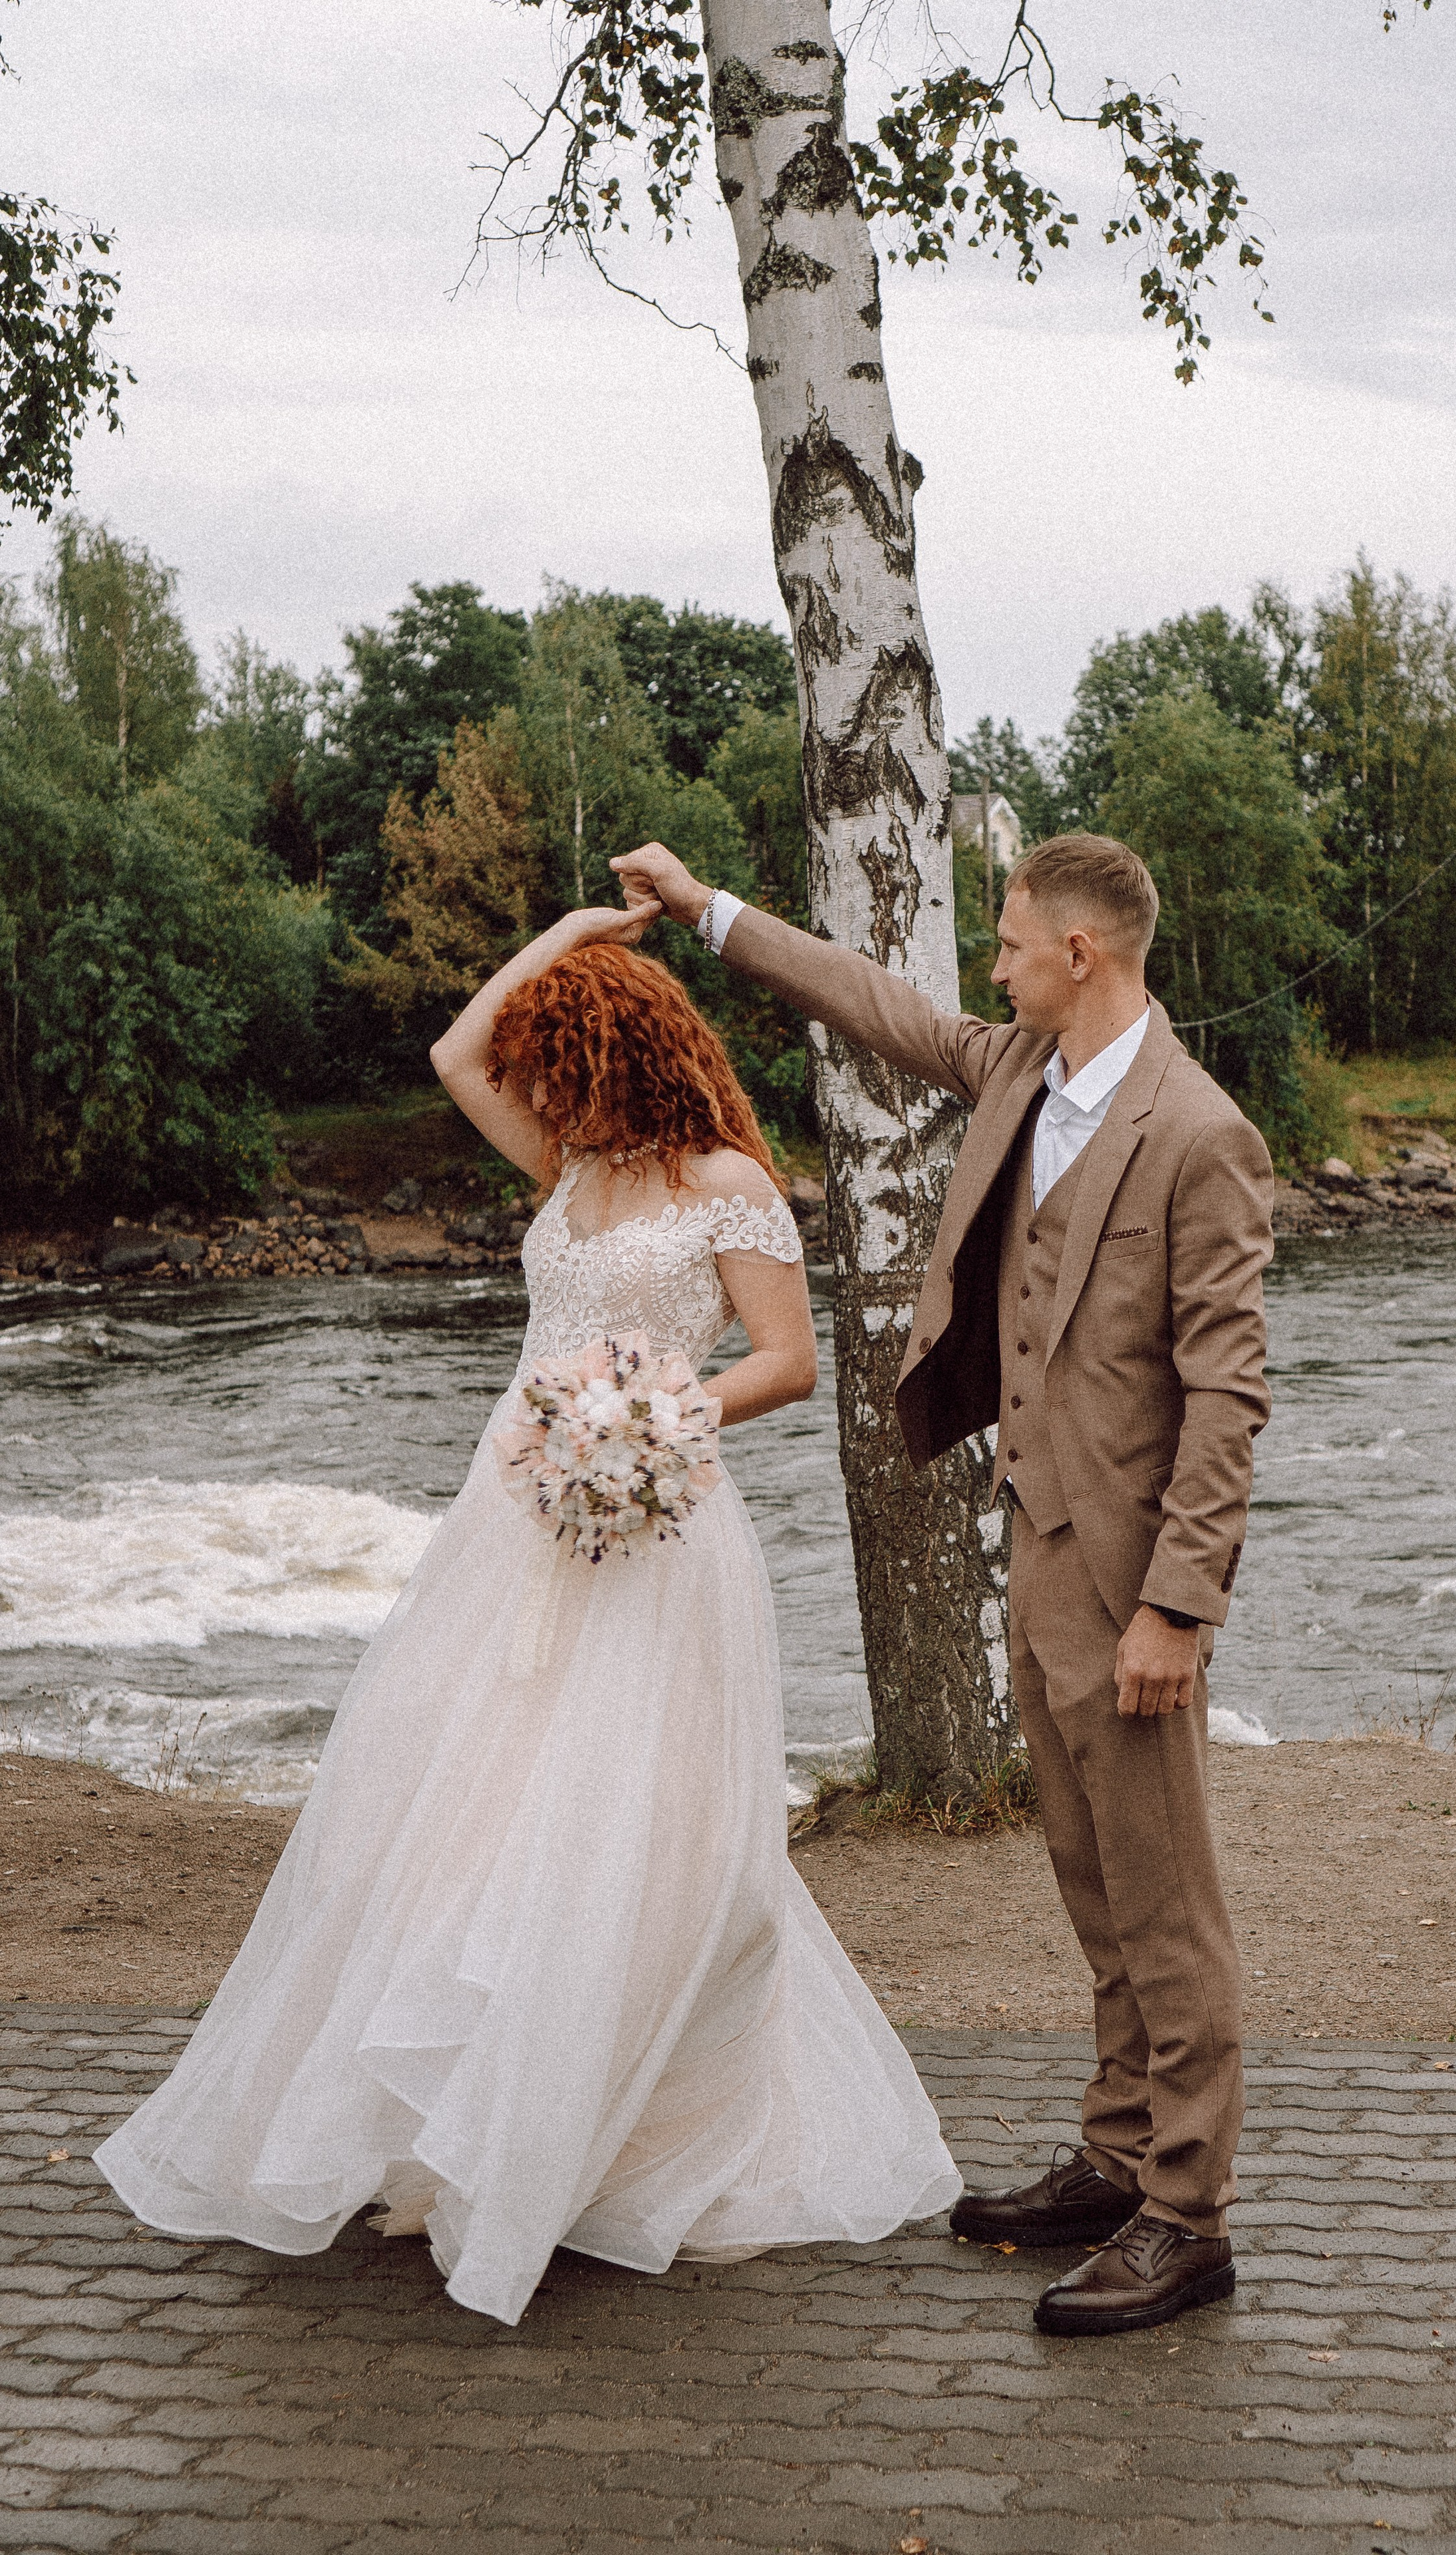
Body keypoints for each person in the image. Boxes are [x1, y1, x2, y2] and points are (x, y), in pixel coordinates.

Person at [95, 899, 961, 2325]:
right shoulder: (566, 1167)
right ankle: (474, 2116)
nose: (539, 1091)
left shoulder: (725, 1180)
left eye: (560, 1063)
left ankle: (603, 2131)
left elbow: (790, 1361)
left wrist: (656, 1409)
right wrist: (568, 931)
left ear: (620, 1056)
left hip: (652, 1528)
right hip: (511, 1525)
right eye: (537, 1070)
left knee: (634, 1827)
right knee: (470, 1807)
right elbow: (453, 1051)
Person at [612, 832, 1272, 2338]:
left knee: (1166, 1903)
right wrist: (704, 905)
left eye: (1009, 937)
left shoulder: (1197, 1133)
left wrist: (1178, 1605)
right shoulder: (1018, 1073)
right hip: (1035, 1540)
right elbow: (869, 1003)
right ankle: (1115, 2161)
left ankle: (1187, 2213)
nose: (990, 961)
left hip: (1127, 1581)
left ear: (1081, 955)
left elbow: (1226, 1395)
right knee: (1094, 1882)